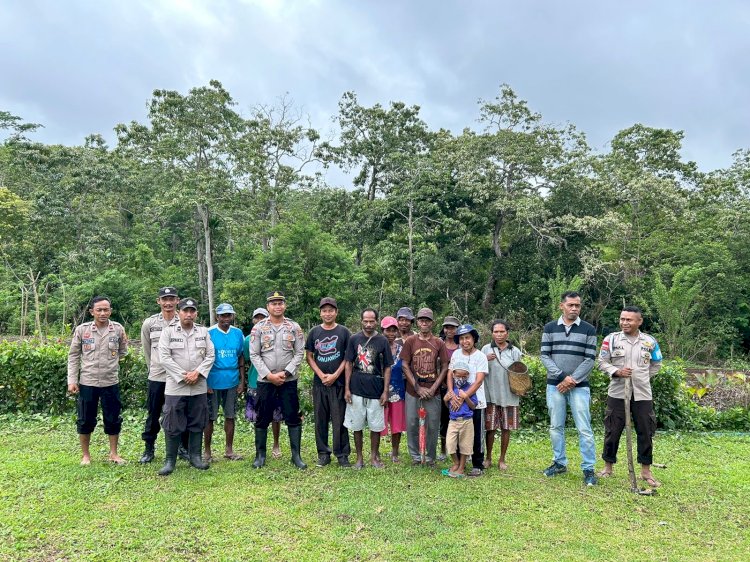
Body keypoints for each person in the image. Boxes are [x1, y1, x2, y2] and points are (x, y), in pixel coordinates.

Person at [597, 306, 663, 487]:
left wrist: (641, 377)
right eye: (622, 319)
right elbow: (602, 362)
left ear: (639, 321)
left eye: (629, 320)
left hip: (642, 394)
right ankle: (607, 467)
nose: (625, 322)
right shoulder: (611, 340)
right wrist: (616, 371)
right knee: (612, 429)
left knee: (646, 431)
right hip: (617, 392)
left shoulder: (650, 342)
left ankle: (646, 471)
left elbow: (656, 364)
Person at [540, 291, 598, 486]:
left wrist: (572, 379)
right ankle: (559, 462)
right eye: (571, 305)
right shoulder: (549, 328)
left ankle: (589, 468)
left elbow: (590, 359)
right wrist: (562, 377)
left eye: (577, 306)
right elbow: (544, 356)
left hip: (580, 387)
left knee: (584, 428)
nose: (574, 308)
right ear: (561, 306)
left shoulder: (589, 329)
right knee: (556, 426)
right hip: (555, 385)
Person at [67, 296, 128, 466]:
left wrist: (111, 365)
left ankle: (114, 454)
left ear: (111, 311)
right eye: (99, 310)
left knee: (113, 418)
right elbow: (73, 356)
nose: (103, 313)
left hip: (110, 382)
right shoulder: (82, 330)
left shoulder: (118, 329)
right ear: (91, 312)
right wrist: (72, 380)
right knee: (85, 419)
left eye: (106, 309)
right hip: (88, 382)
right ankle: (86, 455)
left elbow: (123, 351)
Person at [157, 297, 215, 475]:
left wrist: (197, 373)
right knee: (172, 423)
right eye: (185, 311)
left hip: (198, 386)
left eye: (192, 311)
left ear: (196, 313)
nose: (189, 314)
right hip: (176, 386)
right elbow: (164, 358)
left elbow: (210, 356)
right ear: (178, 312)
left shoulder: (203, 332)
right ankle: (170, 461)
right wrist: (184, 376)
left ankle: (195, 457)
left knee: (197, 422)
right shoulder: (168, 332)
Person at [249, 291, 307, 469]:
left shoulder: (294, 327)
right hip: (266, 381)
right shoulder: (258, 328)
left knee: (292, 416)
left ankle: (296, 456)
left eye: (280, 303)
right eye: (273, 303)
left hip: (288, 380)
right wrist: (269, 375)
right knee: (262, 417)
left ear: (285, 305)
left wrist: (286, 373)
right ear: (268, 307)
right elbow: (254, 354)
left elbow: (299, 352)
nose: (277, 306)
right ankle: (260, 456)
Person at [344, 308, 392, 469]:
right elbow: (348, 363)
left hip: (376, 389)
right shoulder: (354, 339)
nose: (369, 324)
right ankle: (359, 458)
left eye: (372, 321)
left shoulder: (382, 341)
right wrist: (347, 388)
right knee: (357, 425)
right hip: (356, 387)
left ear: (377, 321)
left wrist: (385, 391)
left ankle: (373, 457)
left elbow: (387, 367)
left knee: (376, 426)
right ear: (361, 321)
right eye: (366, 321)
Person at [306, 297, 352, 468]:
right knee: (321, 419)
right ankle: (323, 454)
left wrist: (334, 375)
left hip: (338, 383)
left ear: (336, 312)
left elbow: (348, 357)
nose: (327, 313)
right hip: (319, 384)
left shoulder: (344, 332)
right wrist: (320, 374)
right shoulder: (314, 332)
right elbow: (309, 356)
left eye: (331, 310)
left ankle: (342, 454)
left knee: (340, 419)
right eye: (324, 310)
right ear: (320, 313)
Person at [400, 307, 449, 466]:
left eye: (427, 320)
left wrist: (434, 387)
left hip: (432, 391)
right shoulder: (410, 341)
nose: (424, 323)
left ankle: (429, 457)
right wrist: (417, 387)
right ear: (418, 322)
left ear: (432, 323)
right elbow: (405, 364)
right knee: (412, 423)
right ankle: (415, 456)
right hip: (413, 391)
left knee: (433, 424)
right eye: (421, 320)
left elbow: (445, 365)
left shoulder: (438, 342)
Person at [139, 287, 180, 464]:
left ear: (178, 300)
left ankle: (182, 448)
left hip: (179, 378)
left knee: (179, 413)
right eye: (165, 299)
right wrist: (153, 368)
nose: (168, 302)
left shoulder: (185, 319)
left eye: (172, 299)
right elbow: (147, 350)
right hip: (157, 376)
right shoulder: (150, 323)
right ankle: (149, 449)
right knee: (153, 413)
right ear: (158, 301)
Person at [205, 303, 245, 462]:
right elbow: (203, 358)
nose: (226, 318)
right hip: (213, 380)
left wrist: (242, 380)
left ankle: (229, 450)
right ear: (217, 316)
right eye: (223, 315)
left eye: (229, 315)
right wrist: (205, 382)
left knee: (230, 416)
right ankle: (207, 452)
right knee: (209, 417)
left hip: (232, 379)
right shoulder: (209, 333)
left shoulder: (238, 333)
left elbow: (241, 357)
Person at [481, 319, 523, 470]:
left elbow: (520, 374)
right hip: (490, 395)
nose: (499, 335)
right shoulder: (485, 349)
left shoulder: (515, 351)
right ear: (492, 333)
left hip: (509, 396)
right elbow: (477, 369)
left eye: (502, 331)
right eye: (496, 332)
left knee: (506, 428)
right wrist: (484, 359)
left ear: (507, 333)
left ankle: (502, 459)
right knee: (490, 428)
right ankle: (488, 458)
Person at [446, 324, 488, 477]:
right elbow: (450, 374)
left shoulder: (480, 356)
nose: (465, 341)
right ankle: (459, 463)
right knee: (457, 433)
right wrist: (452, 393)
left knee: (477, 434)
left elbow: (478, 381)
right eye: (462, 338)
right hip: (456, 401)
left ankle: (478, 464)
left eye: (468, 338)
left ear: (474, 339)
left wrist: (464, 396)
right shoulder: (456, 354)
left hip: (476, 401)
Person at [243, 307, 284, 460]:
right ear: (253, 320)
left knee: (276, 415)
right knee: (259, 417)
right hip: (256, 381)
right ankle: (260, 449)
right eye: (257, 318)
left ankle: (276, 444)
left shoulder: (276, 334)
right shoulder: (248, 339)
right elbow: (247, 358)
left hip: (275, 380)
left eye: (263, 317)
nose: (259, 320)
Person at [441, 360, 477, 478]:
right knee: (450, 444)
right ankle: (456, 462)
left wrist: (466, 397)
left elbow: (473, 406)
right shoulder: (451, 389)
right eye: (458, 376)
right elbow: (448, 406)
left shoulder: (470, 388)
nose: (461, 378)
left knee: (465, 446)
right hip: (453, 421)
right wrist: (445, 400)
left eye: (463, 376)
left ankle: (461, 466)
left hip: (467, 421)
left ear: (468, 376)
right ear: (453, 374)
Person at [380, 316, 406, 463]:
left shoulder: (402, 350)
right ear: (382, 331)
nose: (391, 333)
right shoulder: (377, 347)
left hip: (398, 390)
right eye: (387, 330)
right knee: (378, 421)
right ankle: (375, 451)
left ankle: (395, 452)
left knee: (397, 423)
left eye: (393, 330)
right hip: (380, 391)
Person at [438, 316, 461, 461]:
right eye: (447, 327)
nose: (449, 330)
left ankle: (460, 448)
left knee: (459, 417)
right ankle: (443, 450)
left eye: (452, 327)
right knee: (443, 419)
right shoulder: (438, 344)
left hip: (459, 388)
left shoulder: (462, 345)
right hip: (442, 387)